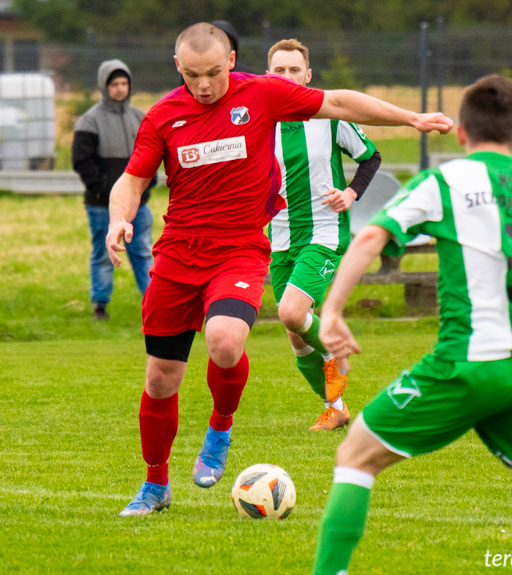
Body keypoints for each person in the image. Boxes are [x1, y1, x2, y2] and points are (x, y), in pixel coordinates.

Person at [106, 22, 452, 517]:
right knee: (161, 377)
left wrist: (411, 118)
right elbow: (133, 179)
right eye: (194, 75)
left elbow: (340, 103)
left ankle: (220, 428)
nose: (205, 86)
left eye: (214, 73)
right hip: (178, 253)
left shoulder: (262, 93)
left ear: (231, 60)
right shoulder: (163, 116)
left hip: (240, 249)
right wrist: (119, 218)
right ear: (178, 67)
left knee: (226, 340)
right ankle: (155, 485)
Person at [312, 75, 512, 574]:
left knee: (355, 455)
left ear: (460, 133)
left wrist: (331, 312)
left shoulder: (446, 181)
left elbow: (372, 235)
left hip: (468, 363)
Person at [266, 39, 382, 431]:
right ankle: (336, 407)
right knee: (296, 335)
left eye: (294, 70)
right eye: (279, 70)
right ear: (268, 75)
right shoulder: (260, 123)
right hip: (279, 238)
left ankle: (336, 346)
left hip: (324, 233)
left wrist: (350, 193)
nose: (286, 77)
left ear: (308, 75)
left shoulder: (328, 116)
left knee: (292, 313)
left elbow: (370, 157)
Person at [72, 59, 155, 320]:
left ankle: (154, 301)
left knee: (142, 252)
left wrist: (145, 187)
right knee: (103, 252)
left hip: (138, 205)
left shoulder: (140, 118)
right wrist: (105, 190)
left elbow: (152, 157)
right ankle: (100, 304)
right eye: (114, 84)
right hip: (100, 205)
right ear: (104, 86)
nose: (120, 89)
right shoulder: (89, 121)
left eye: (124, 83)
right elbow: (82, 161)